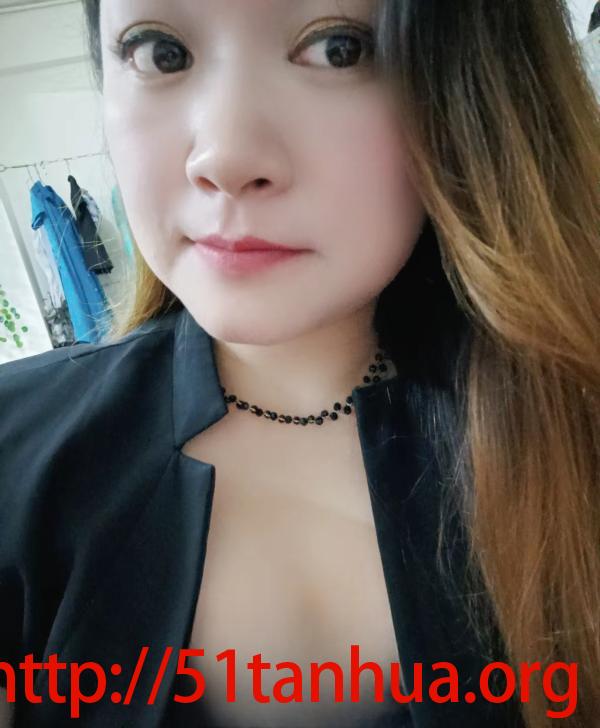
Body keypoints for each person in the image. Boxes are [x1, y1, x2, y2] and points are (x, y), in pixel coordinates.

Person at [0, 0, 598, 726]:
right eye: (160, 52)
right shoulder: (14, 454)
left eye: (339, 48)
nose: (225, 158)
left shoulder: (576, 443)